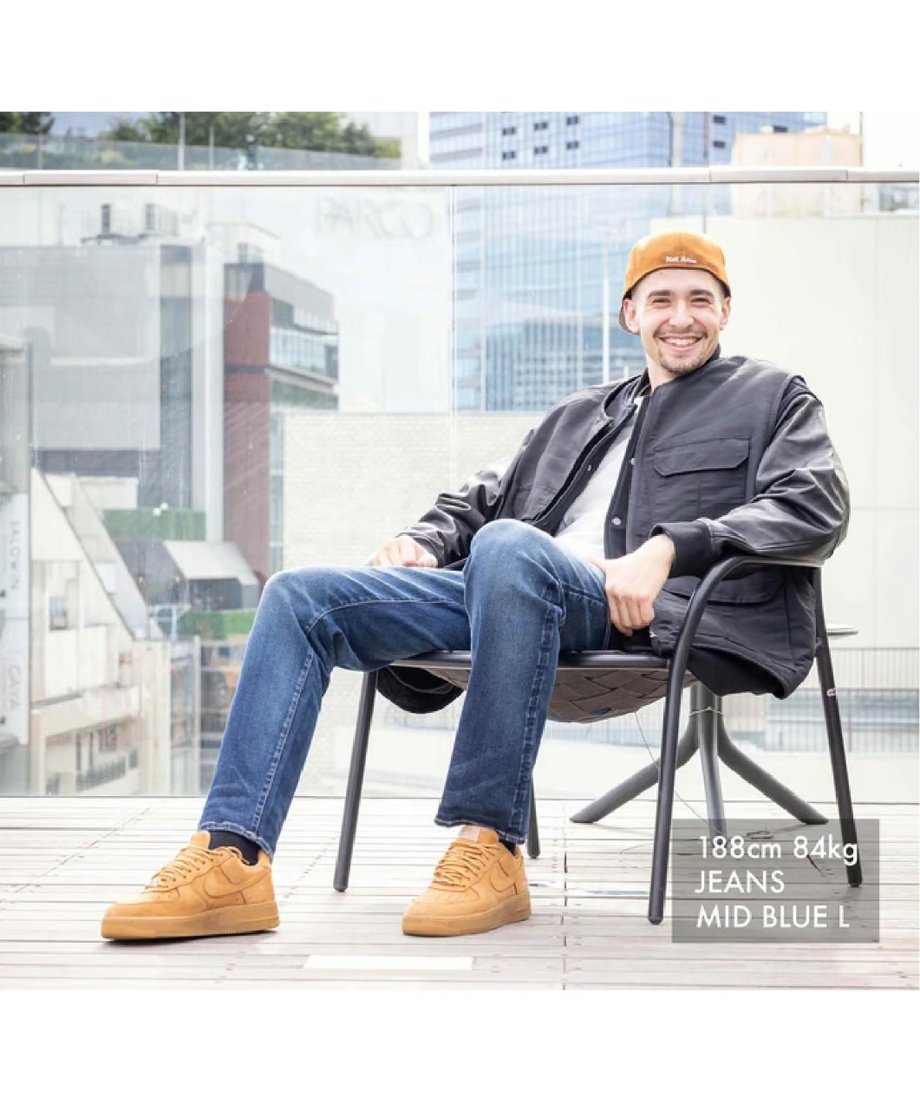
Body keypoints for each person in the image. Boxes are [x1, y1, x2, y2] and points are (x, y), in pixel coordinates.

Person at [100, 229, 849, 942]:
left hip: (637, 609)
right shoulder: (577, 414)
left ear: (725, 310)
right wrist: (424, 541)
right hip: (505, 589)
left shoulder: (772, 396)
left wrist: (671, 547)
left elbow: (814, 503)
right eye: (661, 300)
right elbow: (481, 497)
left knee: (507, 546)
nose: (680, 317)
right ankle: (232, 860)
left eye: (699, 299)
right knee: (301, 595)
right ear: (631, 314)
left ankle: (489, 844)